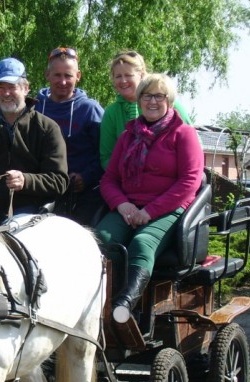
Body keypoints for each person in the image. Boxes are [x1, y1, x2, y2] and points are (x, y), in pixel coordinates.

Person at [95, 73, 204, 323]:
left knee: (143, 243)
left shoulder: (183, 134)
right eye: (146, 95)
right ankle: (97, 302)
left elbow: (190, 181)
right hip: (129, 207)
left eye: (159, 96)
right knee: (99, 239)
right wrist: (122, 205)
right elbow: (109, 179)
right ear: (139, 99)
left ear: (169, 100)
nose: (152, 101)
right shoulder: (127, 136)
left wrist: (150, 211)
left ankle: (124, 307)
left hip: (169, 208)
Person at [0, 57, 69, 224]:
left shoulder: (47, 128)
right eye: (1, 87)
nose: (6, 93)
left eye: (12, 87)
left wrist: (26, 180)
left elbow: (59, 181)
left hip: (30, 212)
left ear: (25, 88)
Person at [35, 47, 104, 226]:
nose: (63, 81)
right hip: (40, 190)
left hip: (82, 194)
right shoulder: (33, 109)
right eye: (57, 75)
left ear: (78, 76)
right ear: (47, 74)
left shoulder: (91, 110)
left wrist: (86, 176)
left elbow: (105, 154)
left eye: (68, 75)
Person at [100, 51, 193, 169]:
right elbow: (106, 157)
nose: (123, 81)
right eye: (118, 76)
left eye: (128, 75)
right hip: (126, 179)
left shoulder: (167, 102)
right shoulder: (111, 113)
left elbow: (193, 144)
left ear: (142, 75)